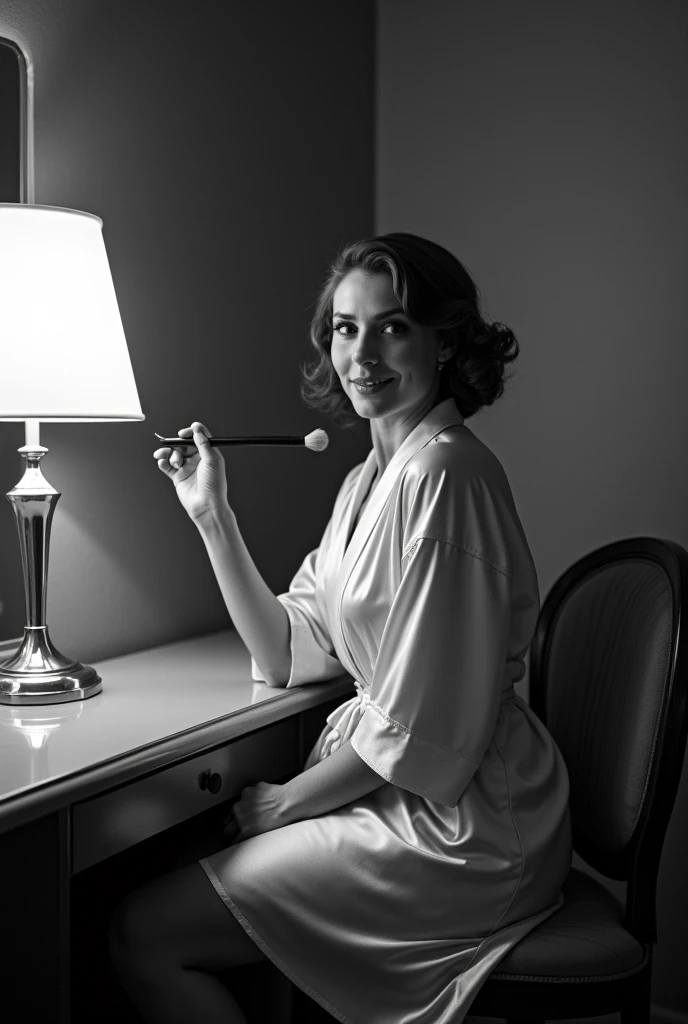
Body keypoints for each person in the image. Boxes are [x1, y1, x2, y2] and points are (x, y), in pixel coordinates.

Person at [107, 232, 572, 1024]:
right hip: (402, 790)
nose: (361, 354)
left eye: (392, 326)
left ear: (445, 339)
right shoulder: (368, 480)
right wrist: (212, 516)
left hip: (465, 822)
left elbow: (419, 724)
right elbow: (288, 652)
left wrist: (288, 803)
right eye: (346, 328)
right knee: (178, 895)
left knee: (142, 934)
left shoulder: (447, 475)